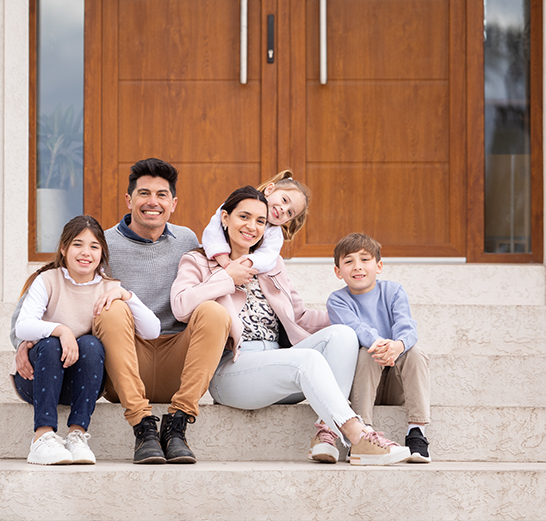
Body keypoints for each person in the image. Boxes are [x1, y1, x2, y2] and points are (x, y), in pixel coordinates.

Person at [171, 186, 411, 466]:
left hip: (279, 363)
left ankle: (326, 433)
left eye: (260, 221)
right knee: (306, 359)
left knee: (343, 334)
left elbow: (300, 317)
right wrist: (226, 277)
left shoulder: (272, 265)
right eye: (244, 217)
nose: (252, 227)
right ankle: (358, 435)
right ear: (225, 218)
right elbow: (180, 305)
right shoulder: (198, 261)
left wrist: (356, 319)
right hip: (232, 370)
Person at [14, 158, 231, 464]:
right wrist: (23, 340)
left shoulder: (187, 240)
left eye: (161, 195)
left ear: (173, 203)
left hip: (176, 361)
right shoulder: (101, 244)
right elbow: (55, 284)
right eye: (144, 194)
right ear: (129, 200)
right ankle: (143, 427)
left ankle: (178, 424)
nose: (152, 202)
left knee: (213, 311)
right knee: (112, 309)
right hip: (124, 364)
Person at [10, 215, 160, 465]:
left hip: (83, 384)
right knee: (50, 343)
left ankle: (77, 434)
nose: (85, 253)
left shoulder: (109, 287)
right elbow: (23, 326)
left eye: (94, 246)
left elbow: (152, 330)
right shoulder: (47, 280)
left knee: (92, 345)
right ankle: (42, 436)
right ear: (63, 248)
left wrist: (125, 295)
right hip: (36, 379)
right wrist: (62, 330)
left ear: (102, 252)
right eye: (78, 244)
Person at [326, 232, 432, 463]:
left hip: (395, 381)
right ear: (338, 271)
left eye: (365, 259)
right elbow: (356, 328)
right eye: (348, 261)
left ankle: (417, 431)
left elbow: (407, 326)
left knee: (414, 352)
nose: (357, 267)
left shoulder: (393, 291)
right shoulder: (337, 300)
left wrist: (397, 346)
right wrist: (379, 344)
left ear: (379, 265)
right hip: (363, 383)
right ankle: (363, 432)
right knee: (366, 352)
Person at [201, 170, 310, 274]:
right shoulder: (239, 204)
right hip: (220, 263)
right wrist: (226, 263)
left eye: (290, 213)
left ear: (287, 221)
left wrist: (245, 263)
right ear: (269, 190)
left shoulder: (274, 233)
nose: (283, 210)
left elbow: (267, 257)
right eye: (284, 200)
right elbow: (213, 234)